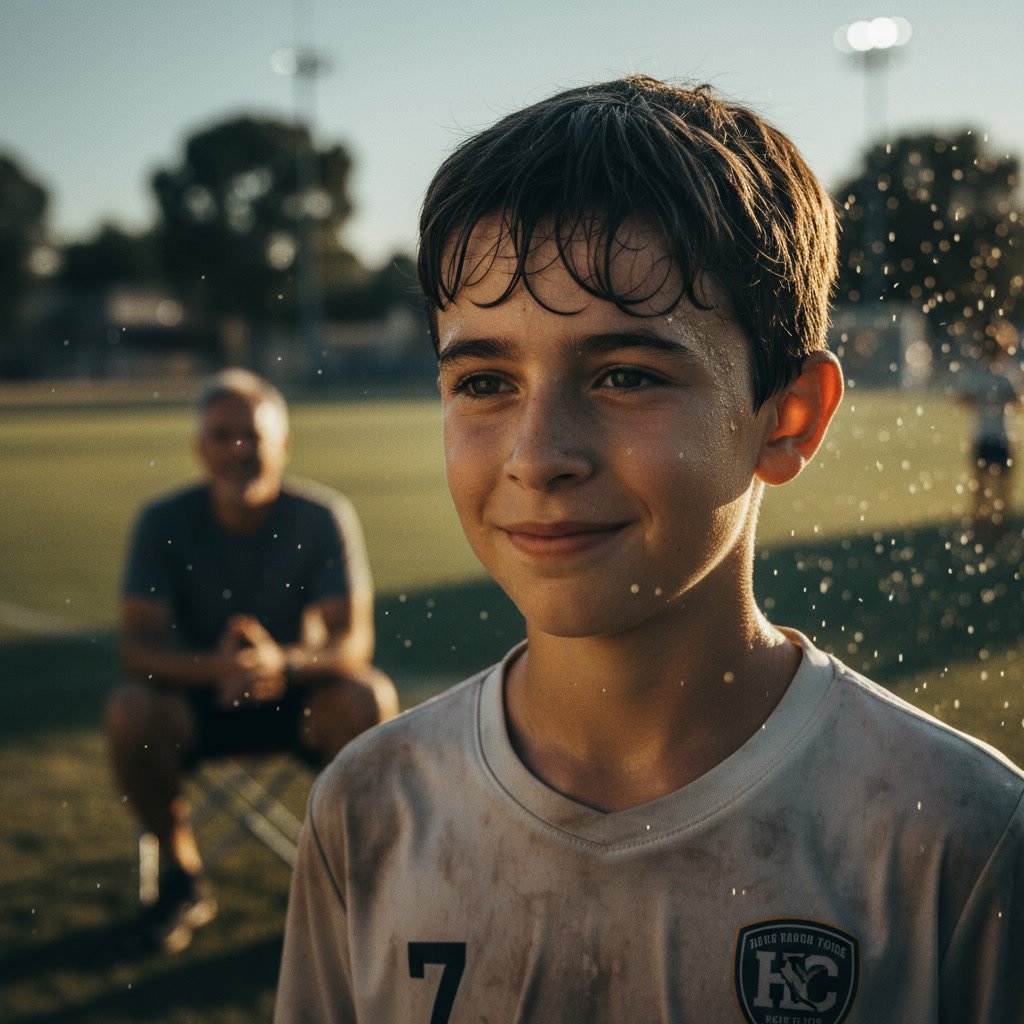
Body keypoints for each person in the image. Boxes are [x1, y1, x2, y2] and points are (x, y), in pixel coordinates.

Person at [275, 76, 1024, 1022]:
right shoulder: (369, 811)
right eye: (484, 382)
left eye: (626, 375)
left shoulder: (956, 840)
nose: (539, 456)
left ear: (788, 419)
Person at [106, 368, 397, 953]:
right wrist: (221, 669)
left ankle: (355, 879)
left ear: (283, 445)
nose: (239, 449)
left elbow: (352, 643)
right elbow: (138, 649)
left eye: (253, 435)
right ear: (200, 448)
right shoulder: (163, 521)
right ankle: (182, 874)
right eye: (223, 435)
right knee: (130, 711)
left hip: (296, 698)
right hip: (197, 704)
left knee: (369, 696)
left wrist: (279, 663)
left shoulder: (320, 516)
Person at [959, 319, 1022, 543]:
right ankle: (996, 527)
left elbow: (964, 399)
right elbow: (1018, 401)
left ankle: (981, 527)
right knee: (997, 486)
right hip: (999, 435)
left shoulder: (982, 374)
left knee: (983, 485)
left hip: (987, 435)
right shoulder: (1006, 374)